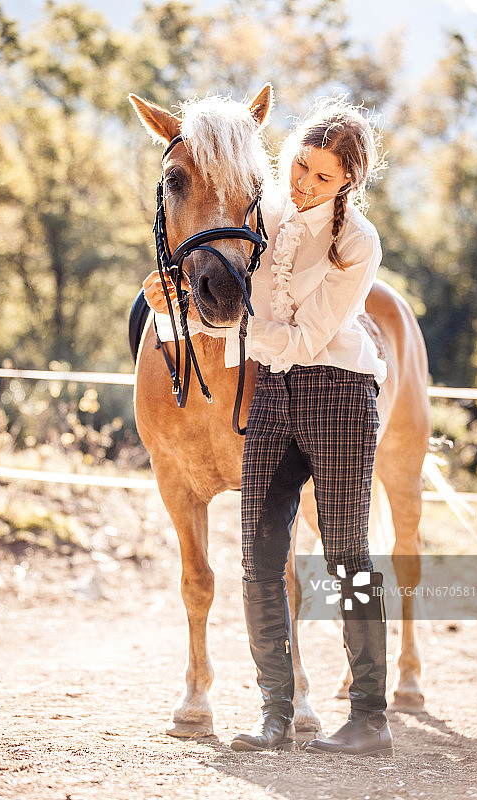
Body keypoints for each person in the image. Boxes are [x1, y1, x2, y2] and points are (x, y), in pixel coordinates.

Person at [144, 95, 392, 757]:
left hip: (337, 392)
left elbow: (304, 337)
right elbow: (220, 249)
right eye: (300, 167)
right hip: (277, 395)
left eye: (324, 176)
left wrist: (211, 320)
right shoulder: (268, 213)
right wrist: (174, 303)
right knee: (260, 559)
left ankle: (369, 716)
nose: (305, 183)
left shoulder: (357, 241)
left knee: (347, 557)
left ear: (348, 181)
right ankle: (276, 712)